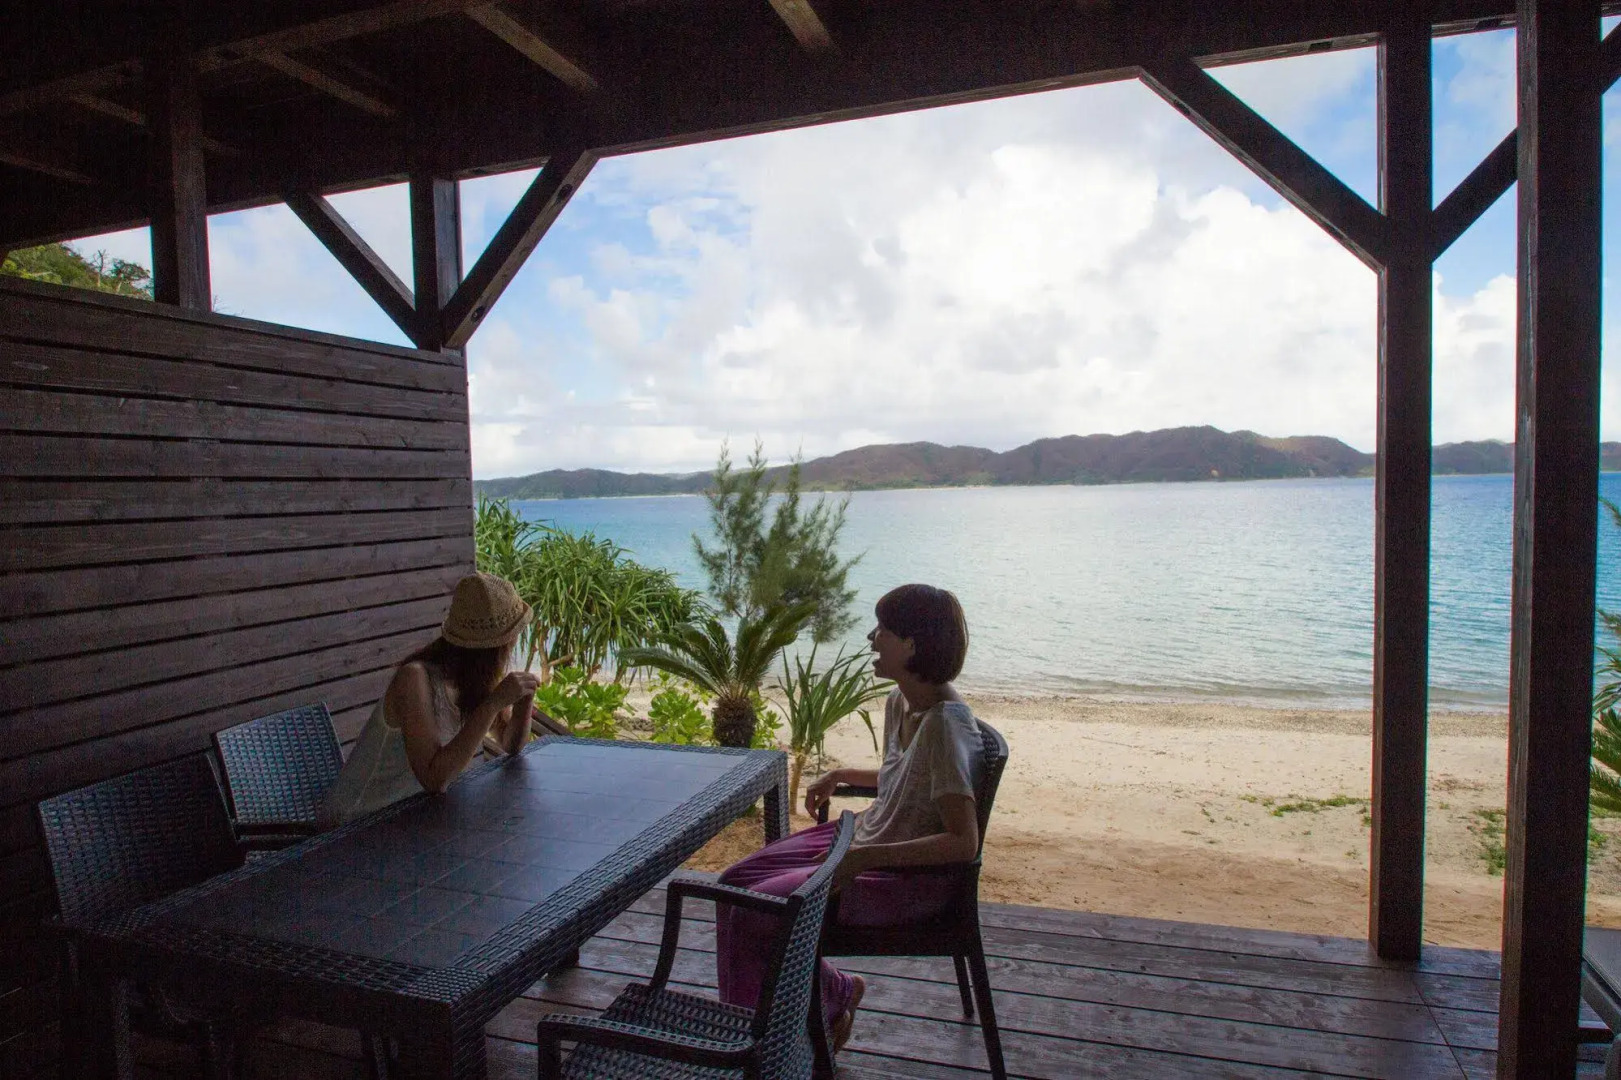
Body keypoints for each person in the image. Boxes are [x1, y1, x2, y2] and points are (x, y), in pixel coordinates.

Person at [713, 583, 985, 1054]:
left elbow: (964, 842)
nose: (870, 637)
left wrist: (861, 860)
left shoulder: (946, 724)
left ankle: (752, 1046)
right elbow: (911, 780)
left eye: (882, 629)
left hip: (902, 879)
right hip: (863, 842)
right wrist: (840, 773)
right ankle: (827, 994)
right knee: (732, 884)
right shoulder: (902, 702)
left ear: (911, 645)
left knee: (755, 913)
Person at [317, 572, 541, 828]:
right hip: (355, 825)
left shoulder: (477, 680)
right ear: (494, 647)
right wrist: (492, 705)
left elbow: (511, 744)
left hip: (414, 819)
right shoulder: (415, 679)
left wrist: (522, 703)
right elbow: (435, 779)